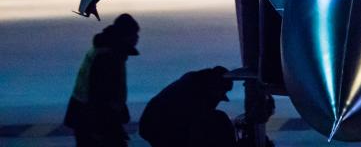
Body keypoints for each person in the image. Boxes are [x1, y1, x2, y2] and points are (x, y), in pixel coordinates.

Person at [64, 13, 140, 147]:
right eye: (134, 34)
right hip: (91, 118)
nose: (137, 38)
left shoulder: (109, 50)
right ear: (125, 36)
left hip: (86, 115)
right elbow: (100, 95)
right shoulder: (108, 57)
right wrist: (105, 127)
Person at [139, 65, 236, 147]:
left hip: (153, 127)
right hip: (158, 128)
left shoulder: (194, 84)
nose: (219, 99)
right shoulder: (193, 93)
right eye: (221, 93)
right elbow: (198, 122)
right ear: (215, 87)